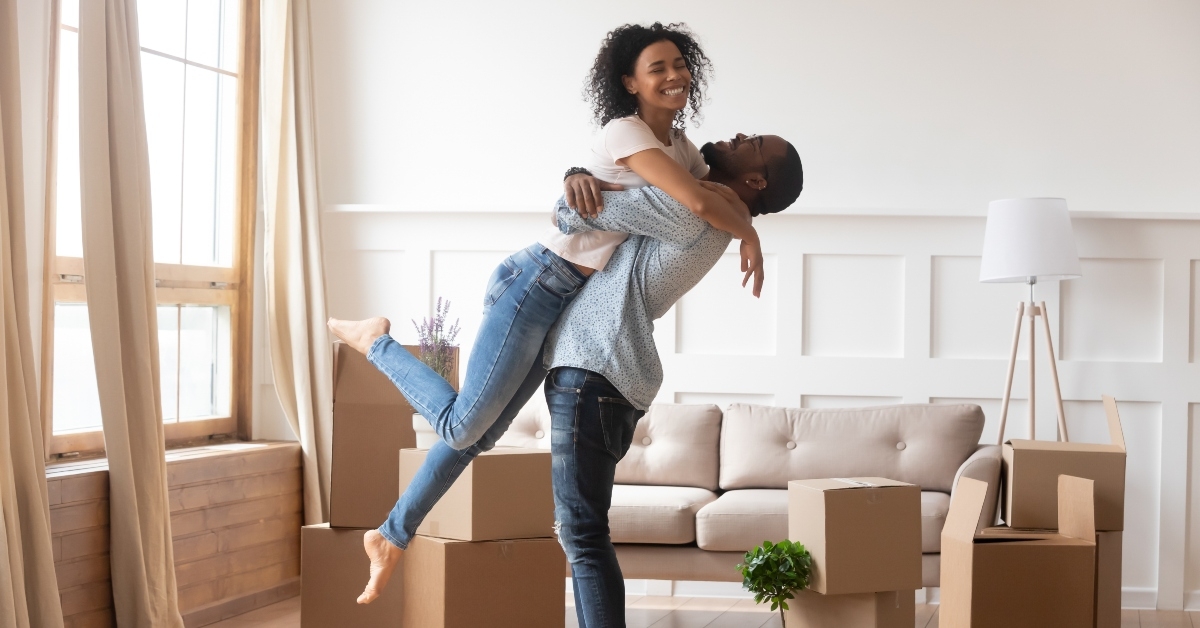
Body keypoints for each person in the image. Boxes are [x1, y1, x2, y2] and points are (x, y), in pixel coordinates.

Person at [328, 22, 764, 605]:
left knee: (478, 436)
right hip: (537, 282)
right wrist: (749, 236)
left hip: (565, 307)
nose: (674, 75)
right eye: (657, 68)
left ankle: (389, 535)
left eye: (680, 64)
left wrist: (736, 216)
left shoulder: (681, 150)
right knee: (463, 427)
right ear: (630, 83)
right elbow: (690, 207)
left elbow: (710, 195)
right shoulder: (625, 130)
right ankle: (376, 341)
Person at [546, 134, 802, 627]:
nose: (737, 136)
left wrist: (575, 181)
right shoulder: (711, 211)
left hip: (593, 369)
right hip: (606, 373)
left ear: (754, 180)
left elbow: (569, 213)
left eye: (752, 143)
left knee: (581, 533)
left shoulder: (688, 207)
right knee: (583, 532)